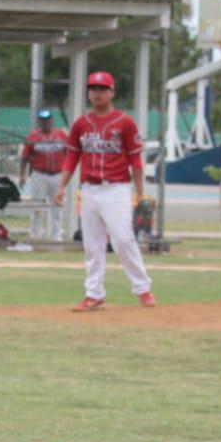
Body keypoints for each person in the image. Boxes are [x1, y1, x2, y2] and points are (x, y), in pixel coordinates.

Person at [54, 72, 157, 311]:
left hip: (117, 189)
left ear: (112, 92)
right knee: (92, 244)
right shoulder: (81, 124)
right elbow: (72, 157)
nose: (97, 93)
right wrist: (61, 186)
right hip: (89, 189)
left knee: (123, 239)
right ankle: (94, 294)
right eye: (93, 88)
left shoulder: (124, 123)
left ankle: (143, 289)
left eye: (102, 88)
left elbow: (136, 161)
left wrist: (140, 193)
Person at [19, 109, 68, 242]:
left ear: (52, 120)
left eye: (47, 120)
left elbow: (69, 154)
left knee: (57, 205)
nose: (45, 123)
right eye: (43, 120)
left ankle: (56, 235)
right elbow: (24, 158)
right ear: (39, 122)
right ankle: (36, 234)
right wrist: (22, 175)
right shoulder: (33, 137)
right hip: (39, 174)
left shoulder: (61, 135)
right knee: (37, 205)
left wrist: (67, 174)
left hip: (57, 175)